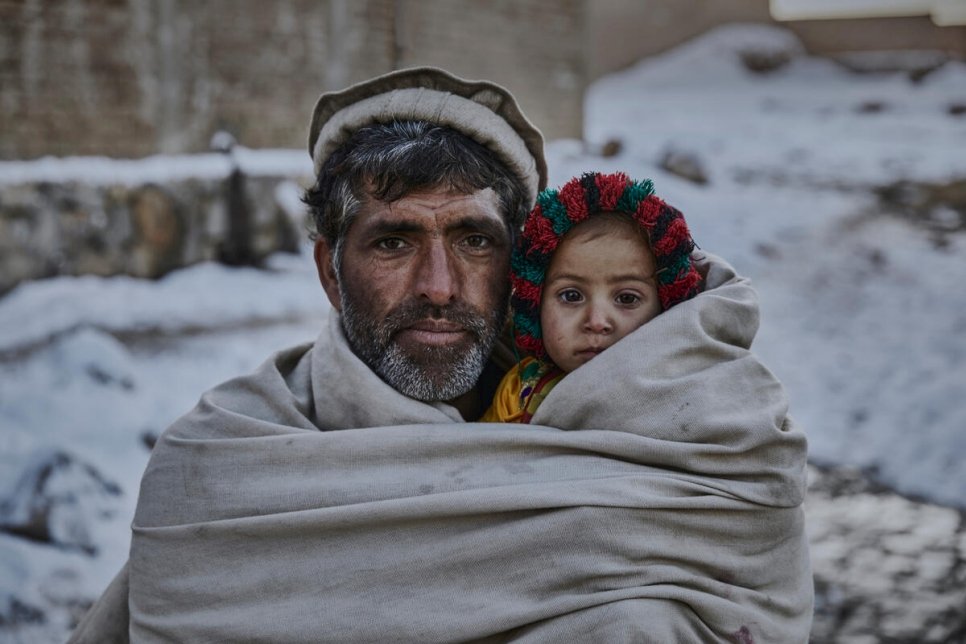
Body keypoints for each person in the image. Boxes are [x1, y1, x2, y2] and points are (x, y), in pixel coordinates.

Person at [70, 67, 813, 643]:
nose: (438, 288)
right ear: (331, 270)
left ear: (522, 264)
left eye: (474, 240)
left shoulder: (662, 438)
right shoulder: (219, 470)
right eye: (393, 242)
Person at [483, 172, 703, 423]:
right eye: (571, 295)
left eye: (627, 299)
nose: (597, 322)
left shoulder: (683, 392)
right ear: (534, 304)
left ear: (666, 308)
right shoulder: (521, 391)